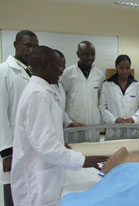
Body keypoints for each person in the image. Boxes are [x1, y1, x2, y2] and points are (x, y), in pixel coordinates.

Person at [10, 46, 108, 206]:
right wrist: (82, 160)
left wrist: (62, 144)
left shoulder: (46, 91)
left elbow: (48, 131)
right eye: (58, 65)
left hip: (48, 171)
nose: (61, 70)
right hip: (37, 180)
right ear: (45, 64)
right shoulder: (37, 94)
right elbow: (45, 145)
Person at [0, 30, 38, 206]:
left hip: (33, 143)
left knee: (30, 190)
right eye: (27, 45)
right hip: (13, 146)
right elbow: (0, 114)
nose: (31, 50)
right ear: (15, 45)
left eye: (35, 47)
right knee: (13, 191)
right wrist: (7, 151)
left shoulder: (34, 73)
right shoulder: (4, 71)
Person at [61, 41, 105, 142]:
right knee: (75, 153)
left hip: (94, 125)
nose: (90, 57)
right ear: (78, 54)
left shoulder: (99, 74)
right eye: (86, 54)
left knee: (94, 153)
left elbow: (101, 100)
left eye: (93, 54)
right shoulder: (67, 74)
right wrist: (68, 122)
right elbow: (60, 102)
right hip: (74, 126)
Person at [100, 55, 139, 140]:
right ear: (116, 68)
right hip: (113, 131)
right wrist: (114, 120)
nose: (125, 71)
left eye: (127, 68)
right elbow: (102, 107)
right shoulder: (107, 85)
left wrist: (134, 119)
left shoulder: (137, 85)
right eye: (121, 68)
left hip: (132, 130)